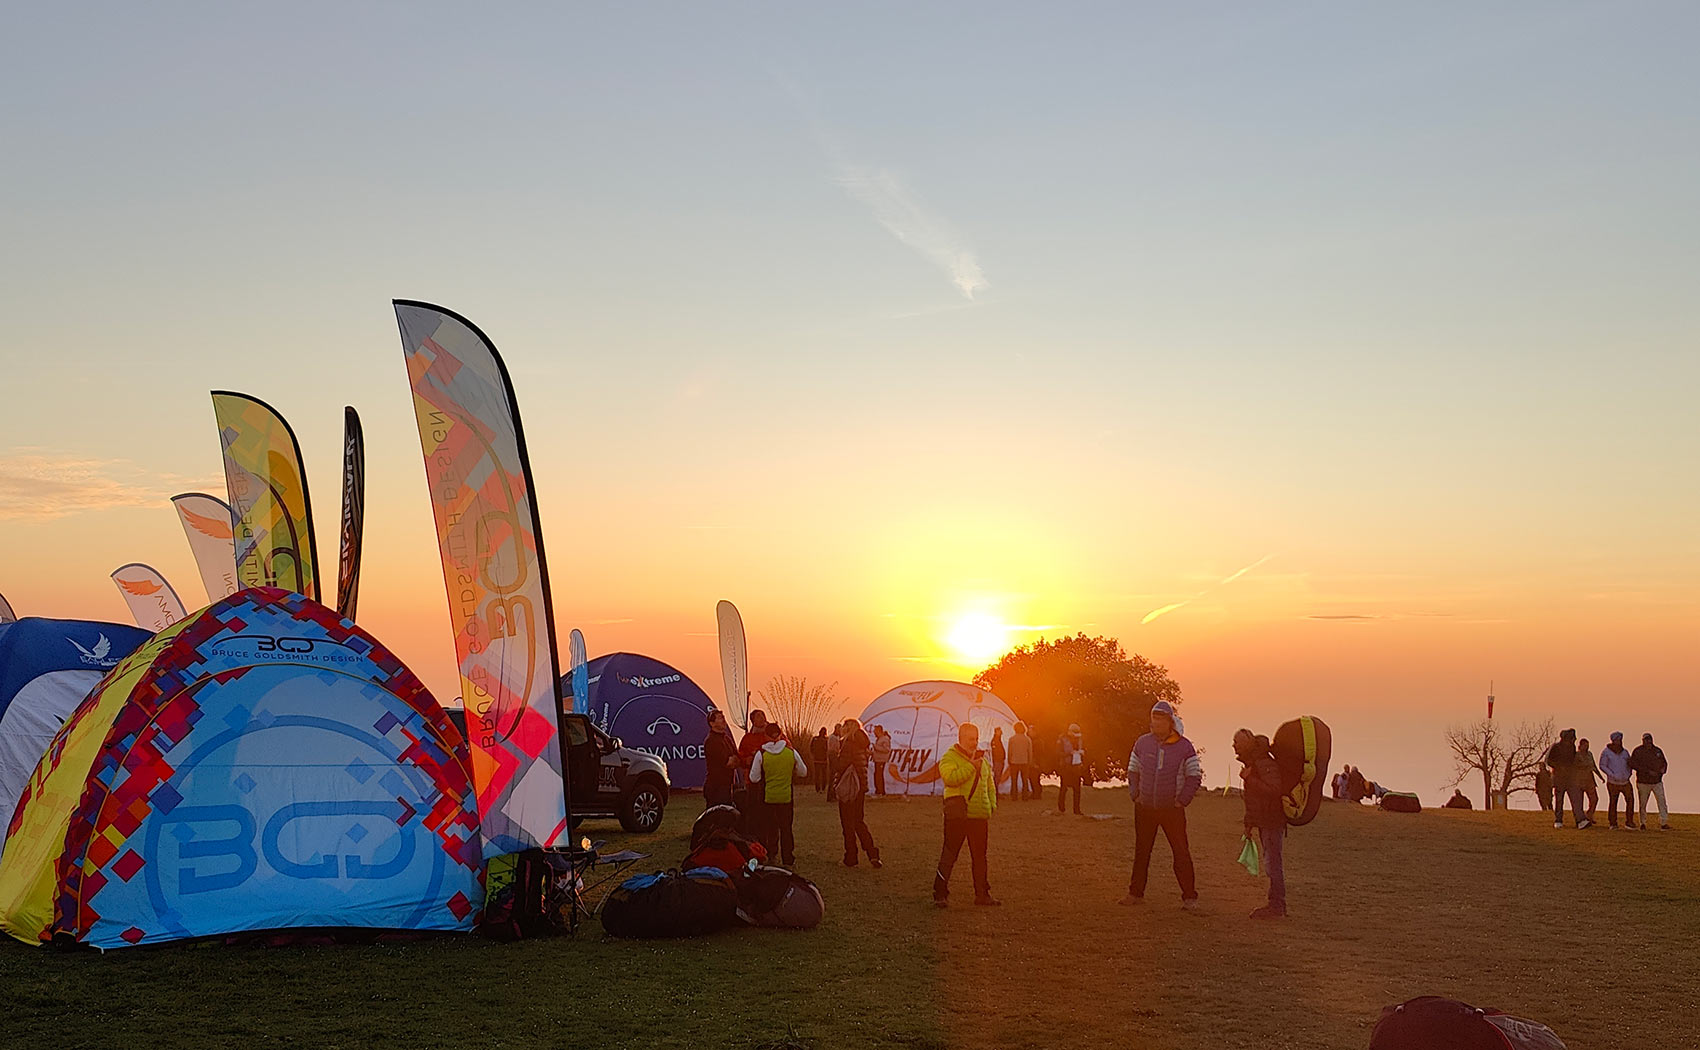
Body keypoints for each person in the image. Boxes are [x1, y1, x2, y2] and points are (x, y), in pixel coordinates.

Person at [1121, 701, 1202, 909]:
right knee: (1142, 852)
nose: (1156, 722)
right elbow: (1133, 770)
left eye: (1160, 719)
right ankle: (1135, 893)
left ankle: (1189, 897)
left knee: (1181, 852)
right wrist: (1135, 794)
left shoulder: (1184, 747)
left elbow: (1194, 775)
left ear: (1170, 721)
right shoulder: (1142, 743)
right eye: (1154, 718)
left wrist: (1182, 800)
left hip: (1172, 810)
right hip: (1145, 808)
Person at [933, 722, 998, 907]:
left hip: (979, 815)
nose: (974, 743)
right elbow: (950, 779)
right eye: (970, 739)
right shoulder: (949, 757)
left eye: (976, 739)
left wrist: (991, 805)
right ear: (960, 738)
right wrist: (971, 767)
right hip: (958, 816)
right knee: (949, 855)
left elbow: (990, 784)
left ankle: (982, 894)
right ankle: (940, 894)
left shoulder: (983, 760)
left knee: (980, 857)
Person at [1234, 729, 1286, 918]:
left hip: (1272, 820)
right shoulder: (1254, 763)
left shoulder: (1263, 763)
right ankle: (1276, 904)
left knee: (1273, 863)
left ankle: (1276, 905)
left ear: (1248, 743)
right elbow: (1253, 800)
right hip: (1266, 820)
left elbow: (1275, 790)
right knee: (1271, 862)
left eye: (1237, 742)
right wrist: (1249, 824)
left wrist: (1250, 779)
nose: (1234, 746)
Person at [749, 721, 807, 866]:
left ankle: (771, 854)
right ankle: (788, 857)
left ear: (766, 736)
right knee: (786, 828)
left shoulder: (761, 754)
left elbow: (754, 777)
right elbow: (803, 772)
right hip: (786, 796)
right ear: (780, 734)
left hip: (768, 797)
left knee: (770, 828)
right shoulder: (791, 752)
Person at [835, 716, 881, 867]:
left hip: (849, 788)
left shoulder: (848, 744)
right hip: (859, 787)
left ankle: (851, 857)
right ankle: (872, 853)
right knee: (858, 821)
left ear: (848, 728)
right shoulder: (862, 744)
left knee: (847, 824)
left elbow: (841, 766)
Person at [737, 709, 776, 836]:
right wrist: (747, 760)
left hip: (770, 779)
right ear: (753, 721)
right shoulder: (747, 738)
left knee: (770, 812)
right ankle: (754, 837)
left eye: (763, 715)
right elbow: (740, 757)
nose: (762, 718)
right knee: (754, 811)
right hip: (753, 781)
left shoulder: (772, 734)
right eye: (758, 716)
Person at [1546, 728, 1589, 829]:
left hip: (1570, 778)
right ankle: (1558, 820)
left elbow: (1572, 760)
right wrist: (1559, 767)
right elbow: (1548, 761)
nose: (1573, 741)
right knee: (1559, 800)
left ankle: (1580, 820)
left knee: (1575, 799)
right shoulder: (1555, 747)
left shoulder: (1572, 747)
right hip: (1559, 778)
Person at [1631, 732, 1670, 831]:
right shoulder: (1638, 751)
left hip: (1657, 781)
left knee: (1661, 801)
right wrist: (1647, 771)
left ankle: (1664, 822)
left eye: (1649, 740)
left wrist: (1663, 770)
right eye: (1646, 740)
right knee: (1643, 803)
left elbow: (1664, 762)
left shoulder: (1657, 751)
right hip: (1643, 782)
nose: (1648, 742)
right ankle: (1642, 823)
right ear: (1643, 741)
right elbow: (1633, 764)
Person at [703, 707, 739, 809]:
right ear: (712, 723)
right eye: (719, 718)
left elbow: (737, 760)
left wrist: (734, 760)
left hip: (727, 785)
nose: (723, 720)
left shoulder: (726, 738)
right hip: (716, 787)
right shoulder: (711, 741)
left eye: (723, 717)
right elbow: (727, 762)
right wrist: (732, 760)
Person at [1600, 731, 1636, 829]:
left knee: (1630, 801)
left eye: (1620, 740)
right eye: (1617, 740)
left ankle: (1629, 822)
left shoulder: (1625, 752)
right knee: (1613, 802)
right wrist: (1612, 775)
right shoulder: (1606, 752)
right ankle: (1613, 823)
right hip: (1613, 782)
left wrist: (1629, 774)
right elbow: (1602, 765)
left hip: (1625, 781)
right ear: (1613, 741)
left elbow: (1629, 764)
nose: (1619, 742)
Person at [1056, 724, 1086, 815]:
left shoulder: (1079, 739)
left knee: (1077, 789)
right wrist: (1069, 754)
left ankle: (1077, 810)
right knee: (1063, 788)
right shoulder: (1062, 739)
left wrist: (1082, 753)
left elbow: (1082, 749)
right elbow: (1058, 753)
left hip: (1076, 766)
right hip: (1065, 766)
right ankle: (1061, 808)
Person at [1575, 737, 1602, 824]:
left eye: (1588, 745)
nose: (1587, 747)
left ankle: (1589, 815)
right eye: (1585, 745)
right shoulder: (1576, 755)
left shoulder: (1590, 754)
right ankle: (1581, 818)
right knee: (1580, 801)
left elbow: (1593, 766)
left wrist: (1600, 776)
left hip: (1590, 780)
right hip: (1579, 780)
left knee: (1594, 799)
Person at [1006, 722, 1034, 801]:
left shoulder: (1012, 739)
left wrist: (1009, 760)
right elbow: (1030, 751)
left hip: (1014, 761)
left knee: (1014, 780)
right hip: (1024, 761)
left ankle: (1014, 796)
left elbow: (1009, 751)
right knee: (1025, 780)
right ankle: (1025, 796)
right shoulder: (1027, 739)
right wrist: (1030, 761)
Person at [871, 726, 892, 796]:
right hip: (878, 759)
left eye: (875, 731)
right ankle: (878, 791)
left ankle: (881, 791)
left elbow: (886, 750)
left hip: (881, 760)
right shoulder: (880, 739)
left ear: (879, 731)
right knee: (877, 775)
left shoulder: (885, 739)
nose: (874, 732)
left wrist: (875, 747)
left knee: (879, 775)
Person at [810, 728, 830, 794]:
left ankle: (819, 788)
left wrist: (813, 755)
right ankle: (821, 788)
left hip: (819, 759)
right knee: (822, 775)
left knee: (818, 775)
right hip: (821, 760)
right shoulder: (825, 740)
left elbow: (811, 748)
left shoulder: (816, 739)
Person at [990, 727, 1006, 800]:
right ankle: (995, 793)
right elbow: (995, 752)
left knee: (998, 777)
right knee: (996, 777)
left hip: (1000, 761)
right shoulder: (995, 741)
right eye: (999, 731)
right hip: (997, 761)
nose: (1001, 732)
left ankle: (996, 792)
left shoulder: (998, 740)